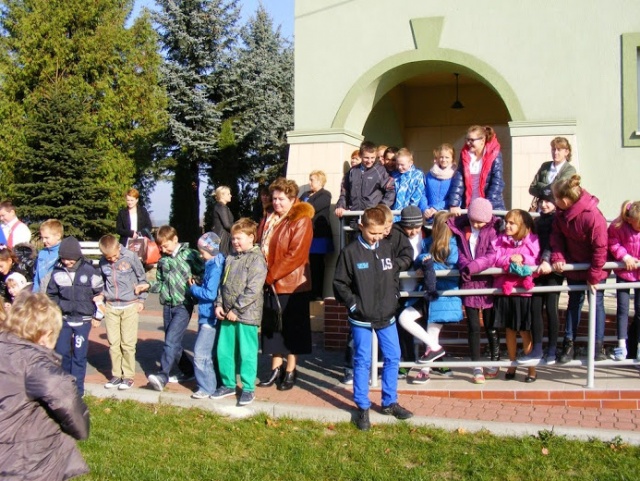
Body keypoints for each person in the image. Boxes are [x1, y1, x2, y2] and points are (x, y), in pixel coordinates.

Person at [333, 207, 413, 431]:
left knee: (393, 356)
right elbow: (339, 283)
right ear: (362, 227)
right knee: (363, 360)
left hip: (386, 315)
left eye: (380, 233)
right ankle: (362, 406)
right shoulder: (350, 252)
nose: (377, 237)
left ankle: (389, 402)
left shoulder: (387, 247)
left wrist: (393, 297)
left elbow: (393, 274)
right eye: (372, 233)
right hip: (361, 318)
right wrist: (354, 305)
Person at [0, 293, 90, 480]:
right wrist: (82, 428)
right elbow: (68, 402)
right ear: (46, 334)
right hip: (24, 463)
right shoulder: (34, 364)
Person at [257, 178, 314, 391]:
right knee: (273, 328)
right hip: (269, 281)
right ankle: (275, 368)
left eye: (281, 199)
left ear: (292, 199)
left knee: (292, 329)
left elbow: (295, 255)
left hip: (292, 283)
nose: (277, 203)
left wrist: (270, 276)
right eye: (274, 198)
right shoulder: (269, 217)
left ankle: (290, 370)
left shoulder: (301, 219)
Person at [551, 175, 608, 362]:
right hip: (575, 265)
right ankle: (569, 345)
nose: (554, 201)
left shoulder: (592, 216)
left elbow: (600, 248)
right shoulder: (561, 214)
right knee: (574, 302)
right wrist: (558, 256)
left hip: (594, 267)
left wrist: (594, 275)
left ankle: (597, 346)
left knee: (596, 303)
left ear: (565, 200)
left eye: (556, 198)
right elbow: (556, 237)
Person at [213, 218, 268, 406]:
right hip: (227, 314)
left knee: (247, 353)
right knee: (224, 351)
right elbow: (223, 284)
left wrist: (237, 309)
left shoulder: (256, 259)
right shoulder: (230, 258)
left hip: (246, 316)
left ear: (251, 237)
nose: (235, 242)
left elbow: (253, 289)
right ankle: (228, 384)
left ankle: (248, 388)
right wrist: (219, 304)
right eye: (233, 238)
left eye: (239, 238)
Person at [403, 211, 462, 384]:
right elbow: (419, 258)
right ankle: (436, 349)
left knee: (432, 331)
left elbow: (451, 267)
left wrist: (430, 265)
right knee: (405, 318)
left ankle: (425, 372)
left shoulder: (454, 244)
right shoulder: (428, 241)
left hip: (443, 295)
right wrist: (424, 260)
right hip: (427, 293)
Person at [447, 197, 501, 383]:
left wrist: (474, 266)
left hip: (488, 282)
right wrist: (466, 267)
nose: (477, 224)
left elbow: (492, 255)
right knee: (473, 326)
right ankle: (476, 364)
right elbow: (460, 253)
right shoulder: (462, 229)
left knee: (491, 324)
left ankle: (495, 360)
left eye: (480, 222)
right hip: (469, 282)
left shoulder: (493, 231)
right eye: (474, 220)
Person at [147, 225, 204, 391]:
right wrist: (147, 286)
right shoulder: (163, 260)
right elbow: (160, 283)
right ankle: (188, 370)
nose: (163, 249)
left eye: (166, 246)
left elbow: (203, 273)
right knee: (173, 342)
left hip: (183, 304)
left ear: (175, 239)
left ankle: (162, 375)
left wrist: (196, 283)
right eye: (160, 247)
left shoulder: (190, 255)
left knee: (171, 340)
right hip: (168, 304)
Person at [48, 236, 104, 396]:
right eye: (64, 259)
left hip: (83, 320)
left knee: (79, 356)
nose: (67, 262)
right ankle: (64, 386)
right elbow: (51, 294)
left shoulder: (90, 271)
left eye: (70, 259)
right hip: (64, 320)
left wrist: (97, 316)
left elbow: (100, 294)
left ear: (78, 256)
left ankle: (78, 389)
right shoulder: (57, 272)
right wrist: (55, 312)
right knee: (62, 353)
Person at [492, 210, 540, 382]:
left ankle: (531, 369)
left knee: (525, 331)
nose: (507, 225)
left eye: (512, 223)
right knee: (509, 330)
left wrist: (523, 258)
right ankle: (512, 364)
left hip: (523, 293)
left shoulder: (532, 240)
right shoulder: (499, 240)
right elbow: (495, 259)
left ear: (522, 225)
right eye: (506, 222)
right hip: (505, 291)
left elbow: (536, 260)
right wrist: (510, 259)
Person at [98, 234, 150, 391]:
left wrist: (141, 300)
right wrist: (100, 296)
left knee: (127, 343)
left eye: (114, 256)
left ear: (119, 248)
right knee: (113, 343)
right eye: (108, 258)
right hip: (111, 306)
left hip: (130, 305)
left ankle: (128, 376)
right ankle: (116, 375)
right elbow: (102, 283)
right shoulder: (102, 262)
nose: (112, 260)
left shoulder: (130, 257)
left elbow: (142, 279)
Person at [521, 190, 563, 365]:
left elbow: (554, 243)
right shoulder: (537, 221)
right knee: (535, 308)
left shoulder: (558, 220)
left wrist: (547, 260)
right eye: (541, 201)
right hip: (538, 269)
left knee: (551, 308)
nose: (543, 205)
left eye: (548, 201)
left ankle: (552, 348)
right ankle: (537, 348)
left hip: (553, 269)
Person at [188, 232, 225, 399]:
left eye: (202, 252)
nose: (201, 255)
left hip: (209, 315)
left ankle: (206, 387)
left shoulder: (214, 267)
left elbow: (210, 294)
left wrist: (193, 289)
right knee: (208, 352)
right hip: (207, 314)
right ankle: (212, 383)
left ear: (210, 249)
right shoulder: (213, 264)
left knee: (201, 352)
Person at [608, 200, 640, 361]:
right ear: (630, 219)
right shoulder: (618, 226)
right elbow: (613, 242)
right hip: (624, 274)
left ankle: (637, 347)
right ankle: (621, 345)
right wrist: (625, 257)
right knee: (622, 309)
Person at [448, 125, 505, 213]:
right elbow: (459, 180)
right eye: (467, 139)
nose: (468, 143)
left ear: (482, 140)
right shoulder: (465, 155)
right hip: (469, 204)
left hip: (489, 205)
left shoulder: (494, 154)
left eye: (472, 140)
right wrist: (454, 204)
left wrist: (487, 205)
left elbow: (497, 182)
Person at [335, 140, 396, 223]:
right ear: (360, 155)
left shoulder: (381, 171)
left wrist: (381, 208)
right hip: (354, 218)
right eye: (366, 158)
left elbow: (391, 191)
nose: (369, 161)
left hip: (373, 219)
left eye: (372, 158)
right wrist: (341, 206)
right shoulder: (352, 171)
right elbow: (345, 191)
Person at [300, 170, 334, 300]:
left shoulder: (325, 195)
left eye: (312, 180)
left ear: (320, 181)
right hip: (304, 235)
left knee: (316, 265)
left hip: (318, 236)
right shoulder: (305, 194)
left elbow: (310, 209)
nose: (309, 182)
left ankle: (316, 295)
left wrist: (301, 208)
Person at [528, 137, 577, 208]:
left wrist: (540, 185)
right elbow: (532, 188)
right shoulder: (545, 166)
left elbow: (559, 190)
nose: (555, 152)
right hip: (542, 209)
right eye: (553, 149)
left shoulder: (570, 170)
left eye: (559, 150)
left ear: (566, 152)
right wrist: (547, 190)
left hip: (558, 210)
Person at [420, 143, 457, 222]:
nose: (443, 160)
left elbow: (454, 197)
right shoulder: (430, 175)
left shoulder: (456, 176)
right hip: (431, 217)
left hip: (447, 218)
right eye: (441, 157)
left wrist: (436, 207)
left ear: (452, 159)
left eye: (447, 157)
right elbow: (423, 193)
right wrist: (425, 208)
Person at [391, 148, 425, 222]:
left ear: (410, 163)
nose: (399, 167)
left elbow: (417, 196)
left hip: (409, 215)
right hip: (394, 215)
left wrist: (409, 212)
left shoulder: (417, 175)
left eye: (402, 165)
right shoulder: (394, 175)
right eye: (397, 164)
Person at [33, 219, 64, 292]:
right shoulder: (42, 253)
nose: (44, 241)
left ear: (58, 236)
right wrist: (35, 292)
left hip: (55, 292)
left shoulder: (63, 252)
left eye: (46, 238)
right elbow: (37, 275)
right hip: (41, 291)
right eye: (42, 238)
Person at [212, 185, 235, 257]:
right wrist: (238, 229)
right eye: (228, 194)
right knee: (223, 258)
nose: (230, 195)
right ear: (222, 195)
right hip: (223, 238)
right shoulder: (222, 207)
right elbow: (227, 225)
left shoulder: (220, 206)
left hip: (219, 237)